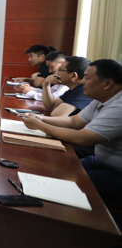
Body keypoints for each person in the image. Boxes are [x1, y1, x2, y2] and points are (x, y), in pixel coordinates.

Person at [19, 59, 122, 205]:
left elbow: (83, 138)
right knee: (61, 170)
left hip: (117, 172)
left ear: (107, 83)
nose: (83, 81)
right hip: (102, 161)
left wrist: (40, 125)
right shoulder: (102, 99)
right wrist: (40, 118)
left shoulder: (119, 107)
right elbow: (74, 121)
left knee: (70, 184)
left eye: (87, 78)